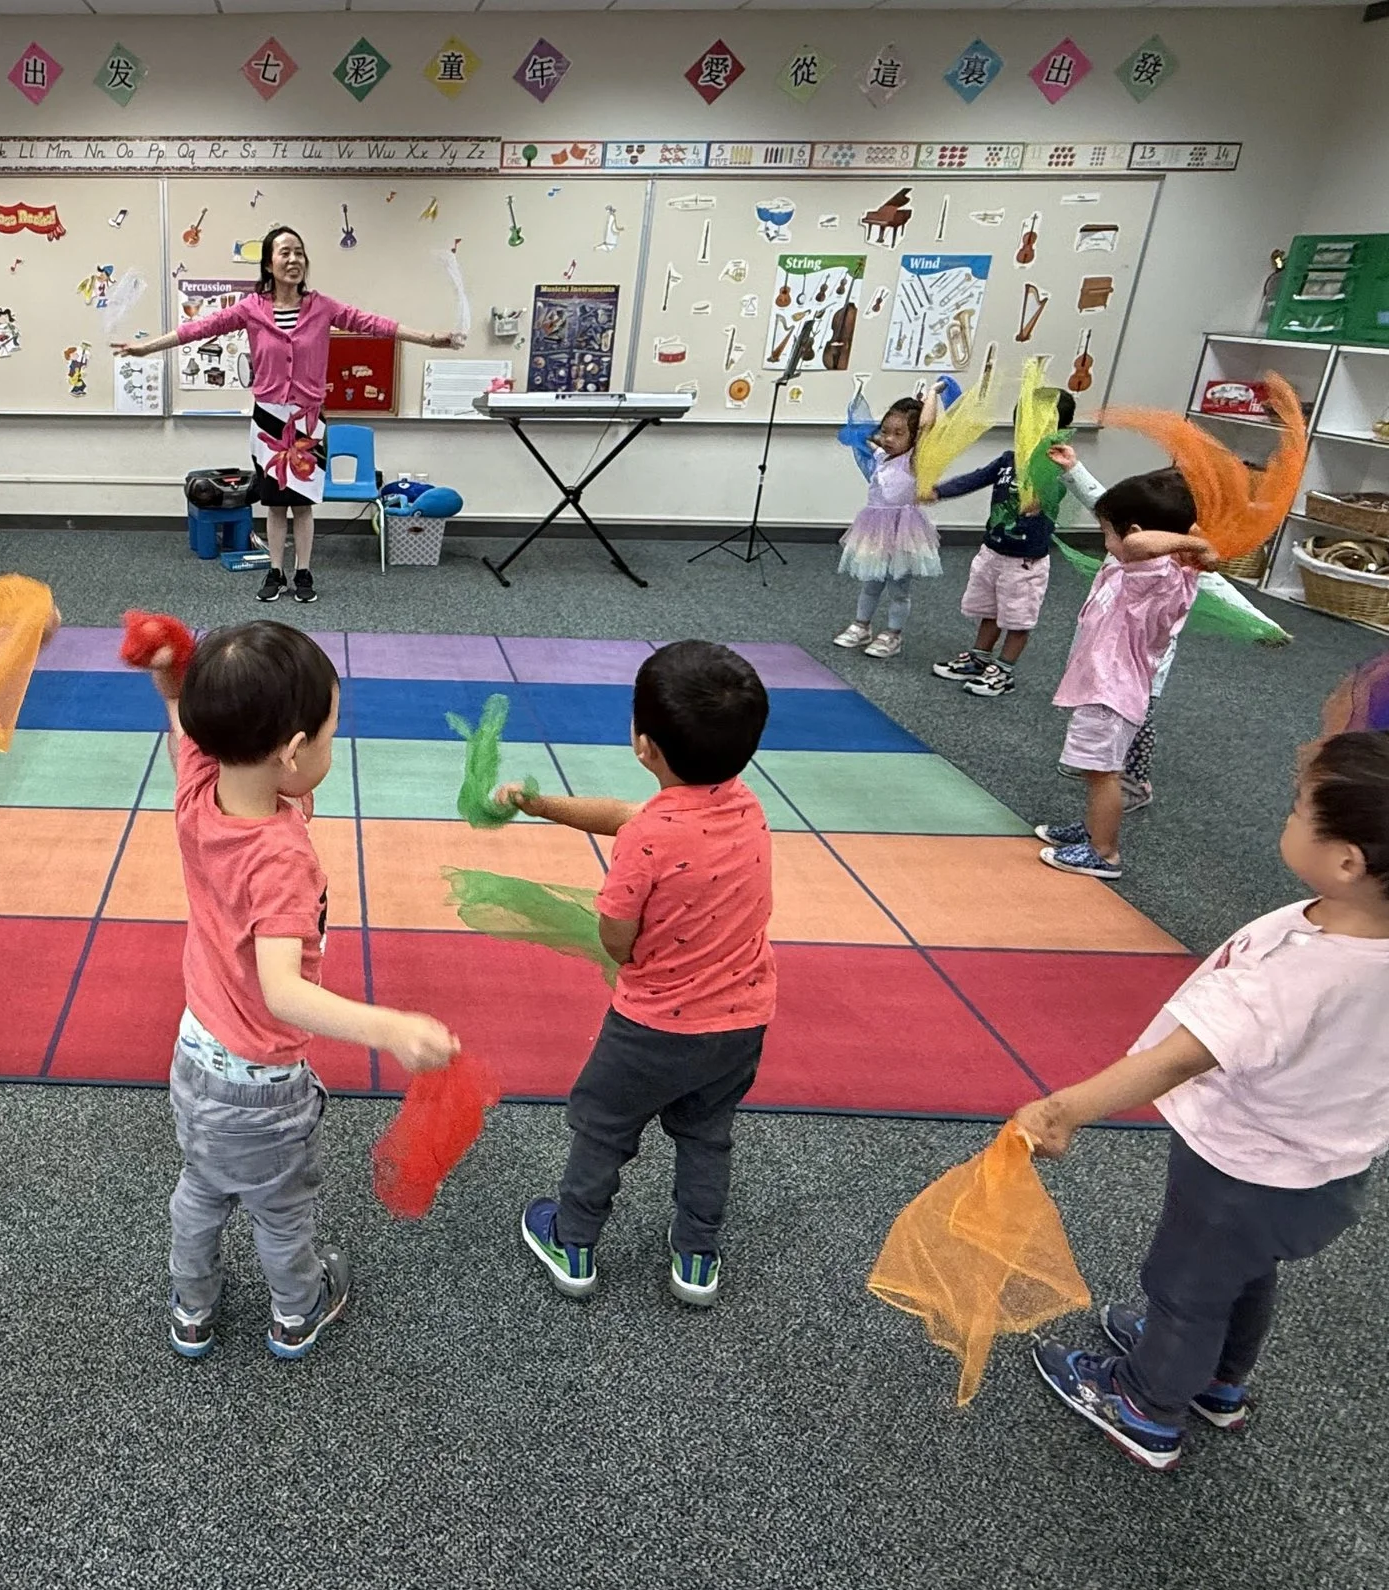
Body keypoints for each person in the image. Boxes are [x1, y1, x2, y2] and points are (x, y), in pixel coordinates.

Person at [1016, 731, 1389, 1471]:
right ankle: (1218, 1379)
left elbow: (1178, 1058)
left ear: (1348, 863)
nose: (1289, 814)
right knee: (1244, 1271)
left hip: (1245, 1164)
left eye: (1299, 808)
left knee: (1183, 1289)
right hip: (1327, 1163)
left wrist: (1061, 1110)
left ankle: (1146, 1404)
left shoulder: (1295, 978)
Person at [133, 622, 458, 1359]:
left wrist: (170, 681)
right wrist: (390, 1029)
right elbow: (282, 991)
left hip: (194, 1055)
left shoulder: (200, 785)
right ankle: (296, 1311)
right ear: (292, 750)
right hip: (262, 1087)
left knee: (201, 1189)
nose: (332, 748)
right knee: (281, 1211)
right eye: (331, 735)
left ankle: (192, 1309)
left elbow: (185, 725)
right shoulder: (280, 863)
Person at [504, 642, 776, 1307]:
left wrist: (621, 948)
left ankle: (573, 1241)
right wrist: (543, 806)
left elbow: (617, 938)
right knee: (706, 1135)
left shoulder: (646, 842)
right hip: (740, 1022)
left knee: (603, 1127)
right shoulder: (744, 805)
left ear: (644, 745)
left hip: (651, 1028)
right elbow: (634, 818)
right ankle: (696, 1258)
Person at [114, 227, 463, 604]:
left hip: (308, 421)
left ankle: (304, 571)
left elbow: (374, 324)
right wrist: (146, 348)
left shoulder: (323, 307)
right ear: (269, 263)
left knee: (303, 503)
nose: (294, 259)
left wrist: (430, 339)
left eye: (299, 252)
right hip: (268, 419)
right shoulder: (251, 308)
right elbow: (198, 328)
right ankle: (275, 571)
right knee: (275, 502)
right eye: (285, 252)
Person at [1033, 470, 1214, 881]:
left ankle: (1104, 852)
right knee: (1096, 768)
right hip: (1107, 685)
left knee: (1103, 772)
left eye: (1106, 533)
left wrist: (1196, 543)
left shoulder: (1157, 575)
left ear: (1133, 533)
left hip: (1111, 691)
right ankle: (1093, 830)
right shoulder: (1157, 569)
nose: (1106, 543)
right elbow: (1135, 544)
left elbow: (1135, 544)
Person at [927, 394, 1107, 697]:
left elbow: (1058, 493)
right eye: (1023, 422)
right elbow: (977, 478)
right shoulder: (1008, 460)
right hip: (993, 551)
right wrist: (939, 491)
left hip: (1024, 561)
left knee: (1018, 618)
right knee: (990, 609)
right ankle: (979, 658)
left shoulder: (1056, 466)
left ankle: (1004, 671)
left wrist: (1041, 499)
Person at [833, 392, 938, 660]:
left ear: (914, 438)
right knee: (871, 581)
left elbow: (927, 427)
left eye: (899, 433)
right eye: (886, 432)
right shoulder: (881, 456)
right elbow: (864, 437)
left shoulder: (914, 460)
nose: (889, 438)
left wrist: (932, 395)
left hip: (904, 531)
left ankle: (893, 634)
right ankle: (862, 625)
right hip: (875, 530)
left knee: (898, 587)